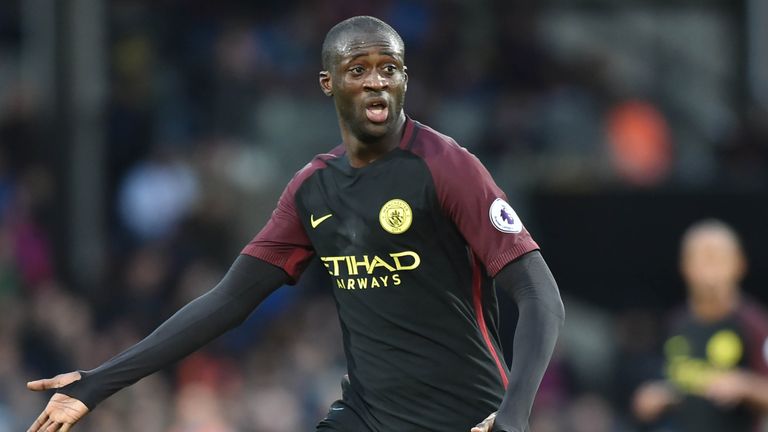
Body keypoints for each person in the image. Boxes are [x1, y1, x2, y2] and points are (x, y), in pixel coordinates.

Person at [26, 16, 564, 432]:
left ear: (405, 80)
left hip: (468, 416)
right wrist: (97, 383)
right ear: (328, 83)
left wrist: (514, 414)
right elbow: (227, 301)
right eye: (359, 71)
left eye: (389, 69)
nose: (376, 83)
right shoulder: (312, 189)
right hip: (367, 415)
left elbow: (540, 294)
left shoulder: (448, 166)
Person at [633, 219, 768, 432]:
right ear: (685, 266)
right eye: (702, 259)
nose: (710, 270)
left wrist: (745, 386)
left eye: (717, 259)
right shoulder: (676, 324)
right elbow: (654, 389)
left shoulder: (754, 324)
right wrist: (653, 398)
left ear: (739, 264)